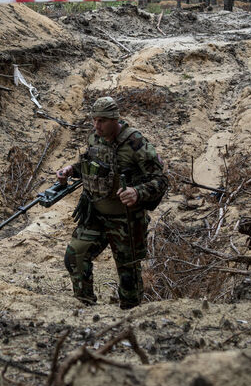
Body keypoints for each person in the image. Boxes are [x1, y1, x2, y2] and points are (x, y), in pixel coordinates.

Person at [55, 96, 168, 310]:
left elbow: (161, 180)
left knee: (128, 276)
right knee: (75, 256)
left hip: (126, 220)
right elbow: (92, 166)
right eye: (94, 120)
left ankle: (130, 315)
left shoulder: (135, 143)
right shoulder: (94, 139)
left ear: (115, 119)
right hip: (95, 214)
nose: (97, 126)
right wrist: (71, 170)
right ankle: (85, 307)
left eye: (102, 121)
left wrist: (137, 192)